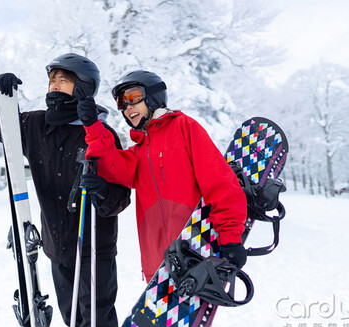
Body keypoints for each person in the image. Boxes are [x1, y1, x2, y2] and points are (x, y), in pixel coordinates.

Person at [0, 53, 131, 327]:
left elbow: (121, 197)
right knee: (72, 318)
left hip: (93, 247)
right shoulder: (37, 126)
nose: (54, 85)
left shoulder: (101, 134)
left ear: (84, 87)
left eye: (64, 80)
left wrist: (102, 190)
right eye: (52, 79)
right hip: (56, 245)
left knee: (97, 324)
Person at [76, 70, 248, 282]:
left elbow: (219, 182)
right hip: (158, 264)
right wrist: (92, 126)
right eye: (122, 102)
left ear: (153, 96)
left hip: (195, 248)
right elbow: (112, 163)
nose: (127, 106)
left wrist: (231, 237)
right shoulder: (140, 150)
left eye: (133, 97)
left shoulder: (184, 127)